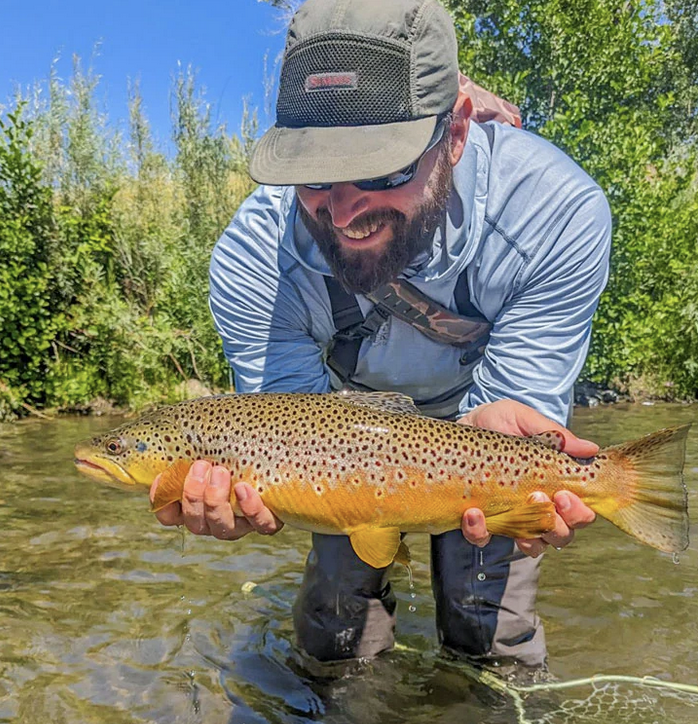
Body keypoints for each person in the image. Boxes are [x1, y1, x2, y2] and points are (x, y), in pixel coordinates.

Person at [152, 0, 609, 669]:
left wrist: (530, 471)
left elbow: (521, 406)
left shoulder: (554, 216)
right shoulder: (254, 260)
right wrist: (252, 498)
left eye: (381, 169)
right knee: (334, 629)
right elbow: (288, 434)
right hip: (338, 445)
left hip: (481, 430)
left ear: (454, 132)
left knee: (491, 625)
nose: (343, 210)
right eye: (311, 176)